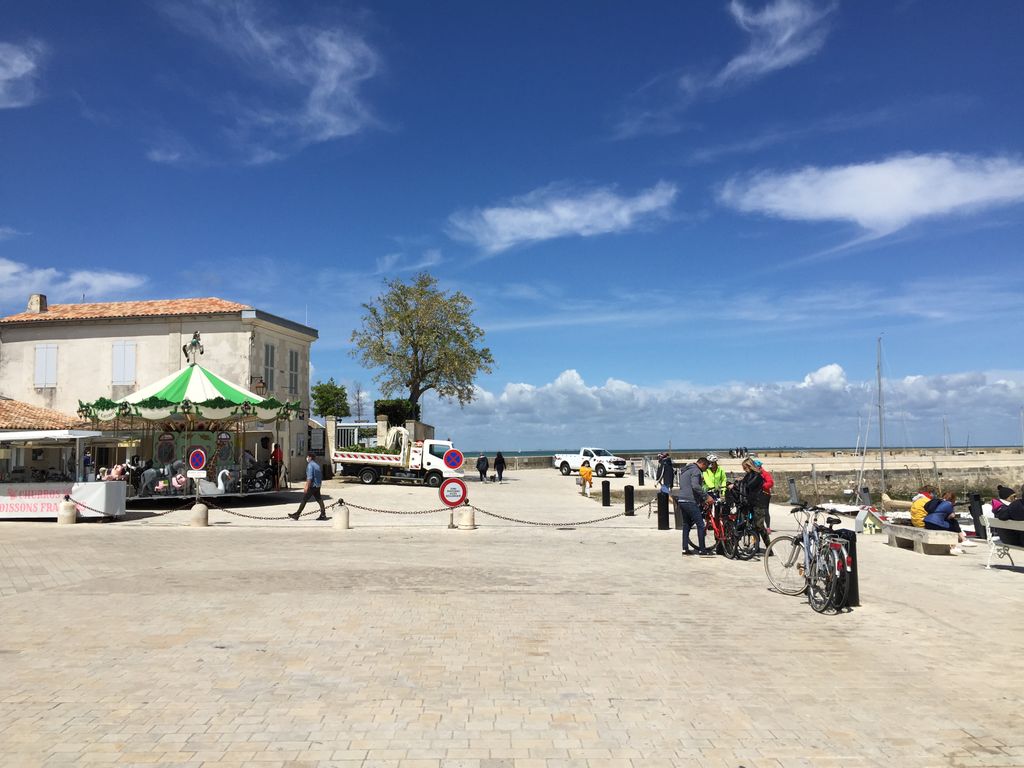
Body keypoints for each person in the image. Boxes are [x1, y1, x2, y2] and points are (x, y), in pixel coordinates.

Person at [676, 456, 713, 556]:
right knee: (700, 524)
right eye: (706, 467)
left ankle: (685, 548)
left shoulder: (685, 470)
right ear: (703, 464)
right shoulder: (696, 471)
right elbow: (695, 486)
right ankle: (702, 550)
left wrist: (700, 499)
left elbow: (687, 486)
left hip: (682, 500)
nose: (706, 470)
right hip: (689, 501)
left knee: (686, 524)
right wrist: (706, 496)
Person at [734, 457, 771, 551]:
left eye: (744, 467)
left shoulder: (757, 475)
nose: (743, 469)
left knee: (759, 526)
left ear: (749, 466)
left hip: (759, 503)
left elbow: (749, 485)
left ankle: (769, 547)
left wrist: (741, 482)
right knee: (753, 526)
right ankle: (756, 546)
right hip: (751, 503)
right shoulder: (749, 475)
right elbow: (744, 483)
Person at [288, 453, 328, 521]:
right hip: (317, 485)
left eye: (307, 457)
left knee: (304, 499)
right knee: (319, 499)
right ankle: (323, 514)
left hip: (312, 486)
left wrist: (306, 486)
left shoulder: (310, 465)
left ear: (309, 457)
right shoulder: (317, 465)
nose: (307, 458)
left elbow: (310, 478)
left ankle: (297, 514)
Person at [753, 459, 774, 530]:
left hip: (765, 494)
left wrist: (762, 485)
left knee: (765, 511)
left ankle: (768, 527)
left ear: (758, 466)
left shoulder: (765, 473)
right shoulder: (754, 473)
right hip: (757, 494)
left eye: (754, 466)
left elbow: (771, 483)